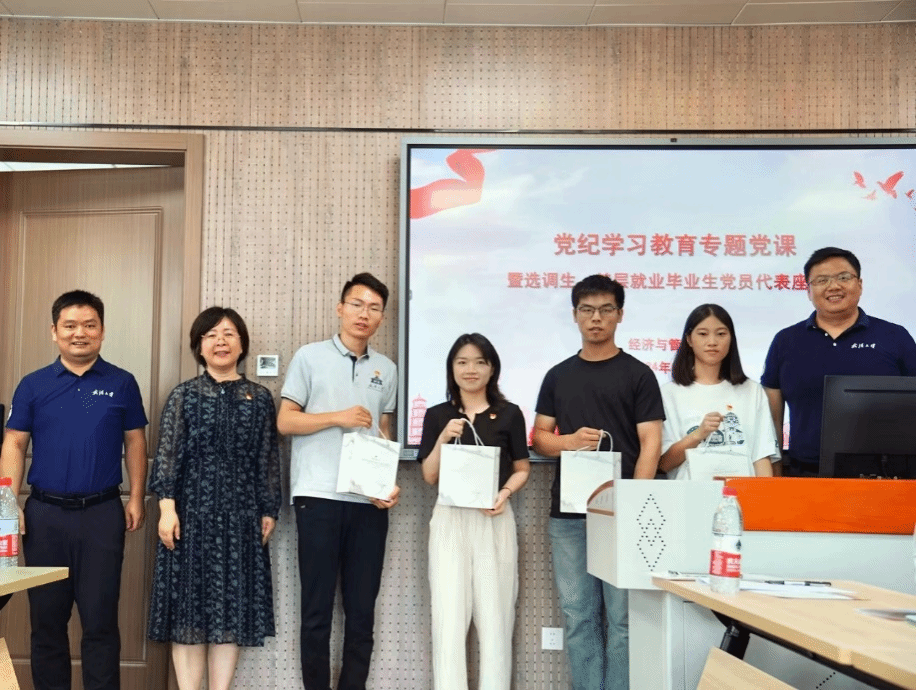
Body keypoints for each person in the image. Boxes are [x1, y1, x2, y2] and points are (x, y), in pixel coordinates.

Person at [0, 290, 148, 690]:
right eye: (70, 326)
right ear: (54, 331)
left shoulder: (122, 383)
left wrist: (136, 496)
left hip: (102, 515)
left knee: (101, 622)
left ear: (102, 331)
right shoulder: (33, 385)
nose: (79, 333)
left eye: (89, 325)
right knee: (47, 621)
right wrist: (8, 502)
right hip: (44, 517)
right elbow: (14, 443)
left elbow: (135, 441)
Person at [531, 274, 664, 690]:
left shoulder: (638, 374)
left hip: (620, 513)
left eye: (606, 310)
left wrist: (633, 501)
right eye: (587, 310)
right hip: (569, 514)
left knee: (623, 619)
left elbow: (651, 442)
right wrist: (568, 442)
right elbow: (540, 437)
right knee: (578, 616)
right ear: (575, 315)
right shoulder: (558, 375)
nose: (596, 318)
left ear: (619, 315)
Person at [147, 307, 282, 690]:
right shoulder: (184, 395)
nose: (220, 341)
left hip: (241, 517)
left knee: (230, 611)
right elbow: (169, 455)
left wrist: (268, 509)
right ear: (199, 346)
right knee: (188, 612)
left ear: (242, 344)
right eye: (211, 335)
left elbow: (267, 457)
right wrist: (167, 508)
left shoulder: (259, 398)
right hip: (189, 517)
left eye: (229, 334)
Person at [277, 272, 400, 690]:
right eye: (357, 304)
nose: (365, 314)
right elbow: (285, 421)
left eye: (374, 308)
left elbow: (384, 432)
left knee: (362, 613)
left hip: (368, 503)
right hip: (318, 498)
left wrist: (387, 484)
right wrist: (337, 417)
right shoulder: (309, 357)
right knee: (316, 612)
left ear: (382, 317)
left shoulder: (386, 369)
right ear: (340, 308)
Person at [417, 333, 531, 690]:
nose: (471, 369)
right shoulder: (438, 415)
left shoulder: (509, 413)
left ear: (492, 368)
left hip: (492, 518)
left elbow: (522, 468)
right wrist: (442, 438)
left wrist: (505, 493)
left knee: (496, 618)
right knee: (448, 618)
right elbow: (429, 476)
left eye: (480, 362)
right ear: (451, 368)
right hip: (450, 520)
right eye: (462, 362)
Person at [761, 247, 916, 477]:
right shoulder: (786, 341)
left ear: (859, 284)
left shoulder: (895, 337)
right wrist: (773, 475)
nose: (833, 286)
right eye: (822, 280)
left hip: (883, 477)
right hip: (806, 474)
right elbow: (771, 419)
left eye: (843, 277)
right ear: (808, 291)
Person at [659, 304, 778, 479]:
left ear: (731, 339)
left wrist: (763, 495)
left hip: (741, 493)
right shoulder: (669, 393)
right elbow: (664, 464)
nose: (712, 342)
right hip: (688, 493)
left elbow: (761, 457)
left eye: (721, 334)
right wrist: (697, 435)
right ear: (689, 340)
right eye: (703, 334)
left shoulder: (752, 391)